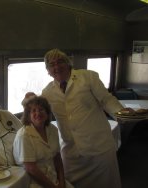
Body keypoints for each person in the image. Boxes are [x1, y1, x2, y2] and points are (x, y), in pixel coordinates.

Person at [22, 49, 135, 188]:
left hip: (98, 148)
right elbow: (37, 109)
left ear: (68, 63)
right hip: (72, 154)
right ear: (48, 71)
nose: (57, 67)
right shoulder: (48, 92)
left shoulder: (88, 77)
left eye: (60, 62)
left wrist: (122, 112)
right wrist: (28, 99)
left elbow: (107, 100)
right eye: (52, 65)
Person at [13, 96, 74, 188]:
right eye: (33, 110)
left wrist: (62, 182)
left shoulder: (53, 129)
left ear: (47, 113)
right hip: (33, 182)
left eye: (41, 109)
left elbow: (57, 158)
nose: (38, 113)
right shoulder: (24, 135)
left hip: (53, 179)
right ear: (28, 115)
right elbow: (31, 169)